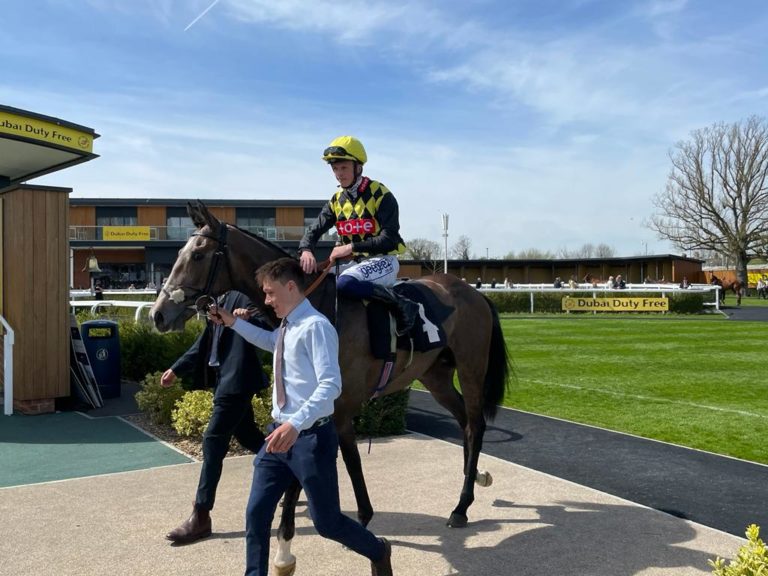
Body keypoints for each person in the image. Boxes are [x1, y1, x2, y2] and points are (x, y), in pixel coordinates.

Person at [209, 258, 393, 576]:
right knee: (256, 514)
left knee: (327, 523)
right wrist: (232, 322)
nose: (266, 301)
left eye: (270, 293)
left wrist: (296, 423)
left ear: (291, 287)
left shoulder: (316, 327)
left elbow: (331, 385)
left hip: (311, 439)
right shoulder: (288, 324)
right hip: (278, 437)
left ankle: (378, 550)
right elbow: (272, 343)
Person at [162, 290, 270, 545]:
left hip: (237, 380)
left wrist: (245, 319)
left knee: (213, 440)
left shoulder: (242, 296)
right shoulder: (218, 301)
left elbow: (268, 325)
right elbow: (204, 343)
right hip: (224, 380)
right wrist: (176, 369)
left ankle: (201, 515)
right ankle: (291, 469)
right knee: (248, 436)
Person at [298, 135, 417, 335]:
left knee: (345, 283)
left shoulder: (381, 194)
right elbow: (314, 229)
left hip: (383, 261)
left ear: (358, 167)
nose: (338, 174)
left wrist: (350, 247)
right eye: (334, 169)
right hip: (352, 264)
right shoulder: (336, 200)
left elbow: (389, 239)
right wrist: (306, 250)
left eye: (343, 168)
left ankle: (402, 304)